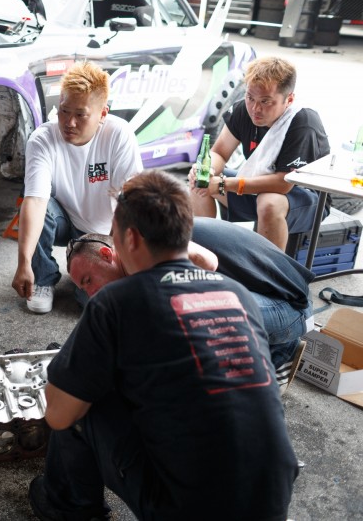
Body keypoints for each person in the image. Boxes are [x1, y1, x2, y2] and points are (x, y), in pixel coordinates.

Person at [31, 170, 298, 520]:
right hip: (273, 498)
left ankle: (70, 509)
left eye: (114, 233)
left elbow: (59, 413)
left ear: (132, 239)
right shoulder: (237, 295)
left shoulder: (115, 302)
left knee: (82, 400)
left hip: (187, 510)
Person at [66, 216, 315, 391]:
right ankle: (272, 351)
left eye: (88, 280)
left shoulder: (141, 247)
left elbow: (207, 261)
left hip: (290, 306)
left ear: (107, 255)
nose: (91, 293)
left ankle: (281, 352)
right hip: (258, 295)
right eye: (83, 288)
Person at [12, 60, 143, 314]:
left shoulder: (120, 135)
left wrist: (122, 261)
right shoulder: (42, 138)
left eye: (80, 114)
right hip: (66, 221)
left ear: (102, 114)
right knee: (42, 206)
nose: (69, 122)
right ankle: (42, 277)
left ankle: (84, 276)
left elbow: (131, 203)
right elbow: (36, 202)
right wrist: (24, 262)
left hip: (108, 235)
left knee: (97, 305)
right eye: (63, 111)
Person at [189, 56, 330, 250]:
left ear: (288, 99)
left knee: (269, 202)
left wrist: (223, 184)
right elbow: (220, 152)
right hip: (255, 184)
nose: (255, 108)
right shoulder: (243, 110)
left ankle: (269, 274)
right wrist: (205, 170)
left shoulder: (302, 122)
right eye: (250, 98)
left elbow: (283, 183)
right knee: (200, 182)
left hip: (307, 198)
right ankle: (206, 256)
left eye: (266, 101)